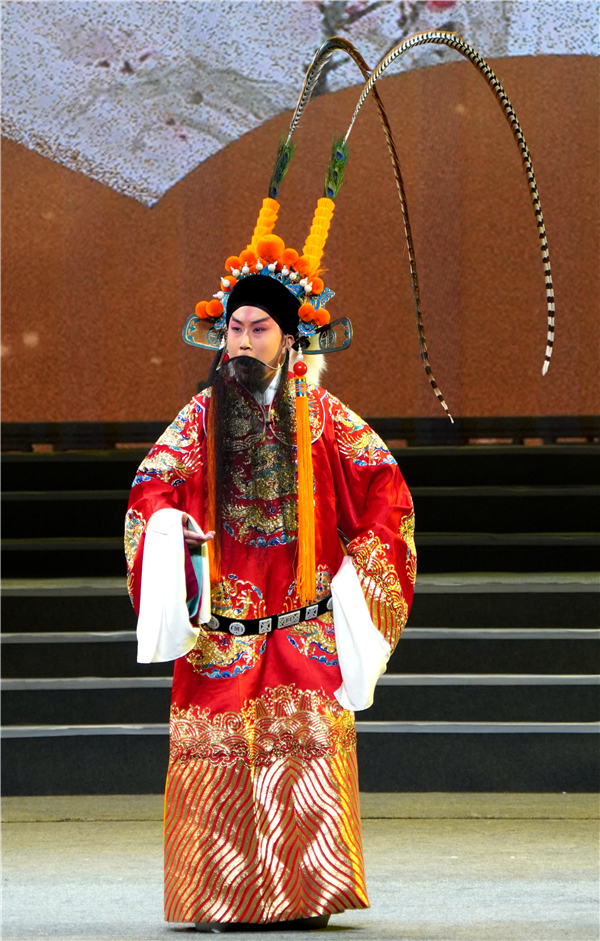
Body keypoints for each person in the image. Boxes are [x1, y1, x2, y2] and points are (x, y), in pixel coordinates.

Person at [124, 194, 416, 930]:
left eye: (259, 329)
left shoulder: (325, 418)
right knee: (218, 757)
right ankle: (220, 897)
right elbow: (150, 490)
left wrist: (359, 575)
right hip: (223, 627)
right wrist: (170, 534)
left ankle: (309, 895)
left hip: (302, 624)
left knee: (305, 756)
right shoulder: (198, 419)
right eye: (234, 329)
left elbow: (385, 491)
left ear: (289, 340)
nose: (244, 342)